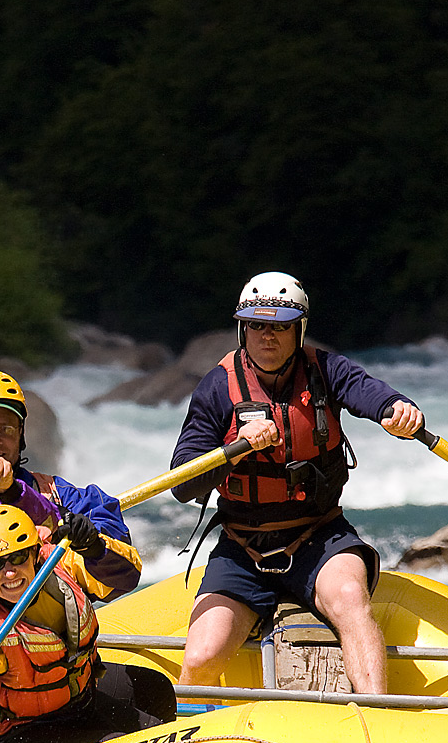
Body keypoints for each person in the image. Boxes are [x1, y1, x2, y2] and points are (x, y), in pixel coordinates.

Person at [169, 272, 424, 694]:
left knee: (350, 600)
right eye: (257, 325)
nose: (267, 337)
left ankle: (378, 716)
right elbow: (183, 483)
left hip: (319, 537)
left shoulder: (326, 371)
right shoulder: (217, 387)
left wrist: (399, 409)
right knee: (201, 657)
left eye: (280, 327)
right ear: (242, 329)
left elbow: (371, 394)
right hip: (241, 547)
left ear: (298, 329)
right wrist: (236, 447)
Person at [0, 506, 170, 743]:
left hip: (72, 705)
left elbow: (126, 578)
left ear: (35, 553)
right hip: (13, 734)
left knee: (155, 688)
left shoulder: (60, 563)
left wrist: (95, 547)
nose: (10, 573)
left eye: (17, 558)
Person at [0, 369, 143, 599]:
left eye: (6, 429)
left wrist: (91, 544)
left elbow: (124, 578)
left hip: (50, 627)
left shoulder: (60, 493)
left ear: (21, 436)